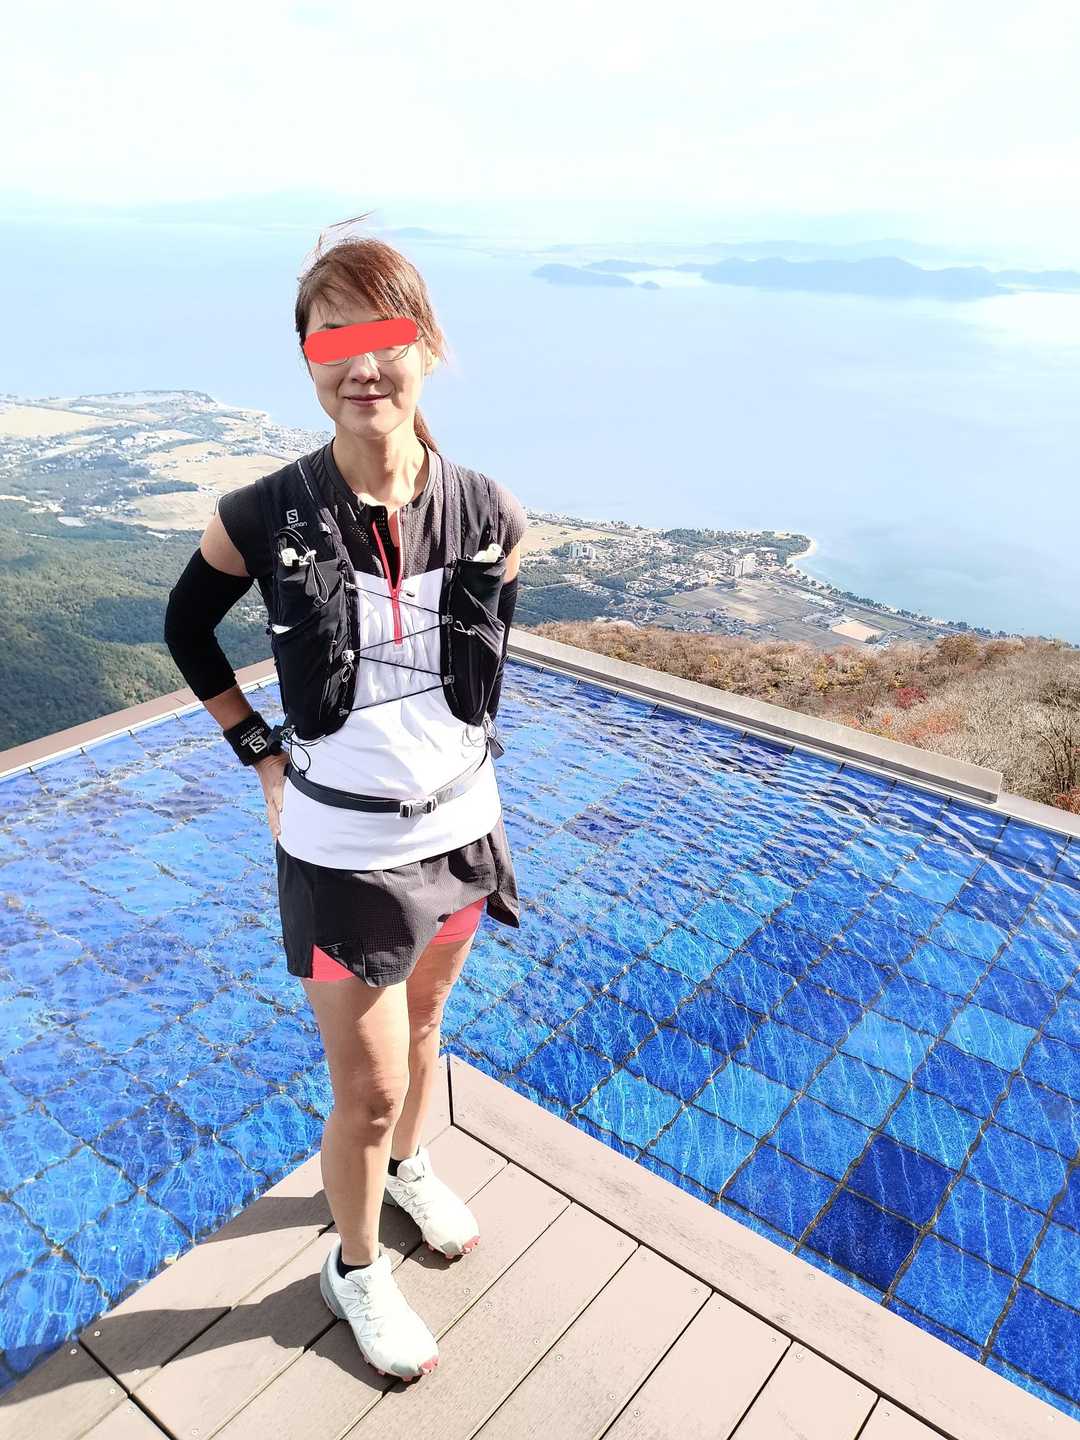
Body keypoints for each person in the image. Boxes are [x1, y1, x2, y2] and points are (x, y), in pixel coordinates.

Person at [163, 215, 529, 1383]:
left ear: (427, 347)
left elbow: (477, 679)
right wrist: (261, 755)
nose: (361, 363)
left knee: (425, 1033)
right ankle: (354, 1267)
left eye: (385, 336)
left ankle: (410, 1171)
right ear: (309, 360)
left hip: (462, 829)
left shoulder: (489, 514)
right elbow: (184, 628)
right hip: (343, 851)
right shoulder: (263, 514)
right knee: (365, 1091)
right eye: (333, 340)